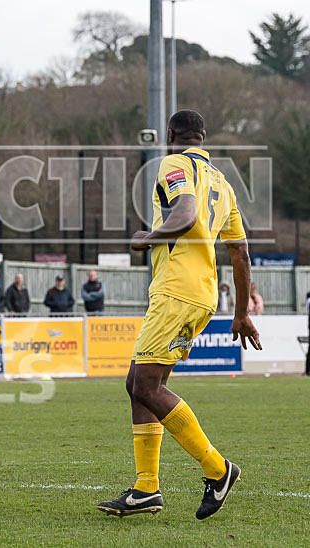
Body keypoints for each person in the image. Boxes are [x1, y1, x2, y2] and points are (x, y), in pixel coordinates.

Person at [97, 109, 261, 520]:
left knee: (146, 386)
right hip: (201, 294)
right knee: (139, 383)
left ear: (170, 134)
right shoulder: (222, 184)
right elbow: (240, 253)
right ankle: (146, 488)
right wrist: (241, 313)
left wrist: (147, 238)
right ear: (203, 137)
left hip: (177, 290)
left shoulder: (174, 164)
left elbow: (185, 216)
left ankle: (218, 469)